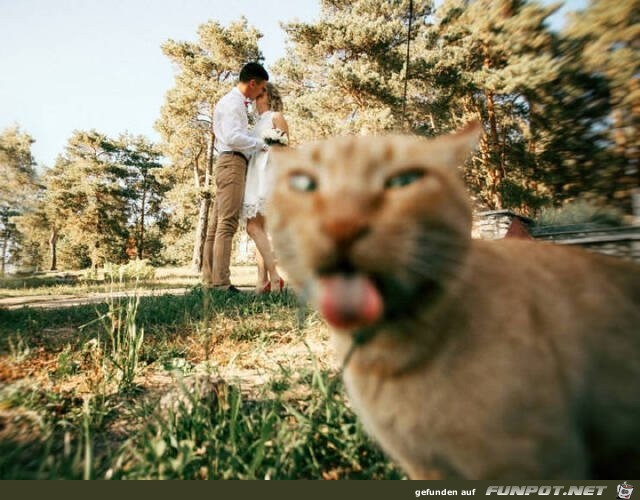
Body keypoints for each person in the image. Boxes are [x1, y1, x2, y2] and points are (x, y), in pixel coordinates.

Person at [202, 62, 269, 292]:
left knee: (216, 224)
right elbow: (232, 137)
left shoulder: (232, 102)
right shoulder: (232, 103)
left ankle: (209, 279)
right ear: (252, 83)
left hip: (227, 161)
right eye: (261, 88)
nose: (261, 93)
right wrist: (259, 144)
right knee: (227, 223)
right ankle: (221, 283)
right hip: (232, 161)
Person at [241, 83, 289, 293]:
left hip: (267, 174)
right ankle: (262, 282)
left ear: (268, 96)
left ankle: (275, 277)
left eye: (261, 92)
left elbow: (284, 149)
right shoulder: (255, 123)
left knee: (253, 228)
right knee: (258, 229)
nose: (256, 96)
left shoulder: (275, 116)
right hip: (254, 173)